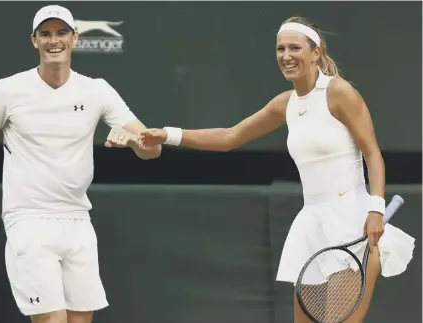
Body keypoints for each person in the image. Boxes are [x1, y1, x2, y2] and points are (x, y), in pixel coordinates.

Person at [138, 16, 415, 323]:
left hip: (352, 222)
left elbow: (373, 155)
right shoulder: (285, 104)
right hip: (311, 226)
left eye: (295, 47)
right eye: (280, 48)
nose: (286, 55)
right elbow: (231, 137)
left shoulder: (340, 94)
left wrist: (375, 209)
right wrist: (168, 133)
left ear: (315, 52)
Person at [0, 4, 161, 323]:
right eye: (45, 34)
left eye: (61, 33)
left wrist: (132, 141)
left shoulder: (97, 91)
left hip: (78, 221)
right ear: (35, 41)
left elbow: (151, 150)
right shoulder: (7, 91)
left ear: (75, 38)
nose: (53, 40)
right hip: (27, 221)